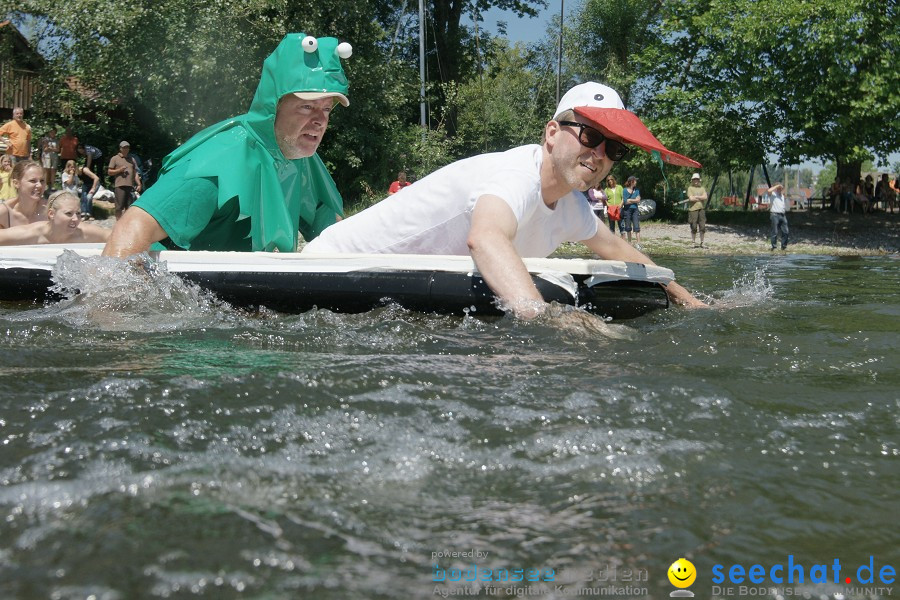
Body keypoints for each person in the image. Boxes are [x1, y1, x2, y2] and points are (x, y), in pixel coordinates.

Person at [304, 81, 706, 317]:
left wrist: (688, 301)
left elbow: (617, 247)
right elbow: (486, 238)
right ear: (551, 133)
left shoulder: (570, 204)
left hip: (396, 291)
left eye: (614, 149)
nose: (600, 154)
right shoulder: (515, 174)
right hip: (325, 267)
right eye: (590, 136)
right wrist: (549, 322)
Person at [102, 34, 352, 257]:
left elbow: (336, 234)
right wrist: (108, 309)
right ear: (273, 106)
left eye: (327, 109)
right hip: (175, 290)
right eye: (307, 107)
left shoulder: (303, 161)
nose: (320, 121)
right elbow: (133, 226)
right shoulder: (220, 160)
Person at [0, 190, 110, 245]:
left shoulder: (85, 232)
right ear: (51, 214)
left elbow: (114, 236)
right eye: (68, 213)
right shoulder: (33, 233)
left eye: (78, 214)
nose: (76, 219)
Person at [0, 160, 47, 229]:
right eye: (33, 181)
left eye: (42, 181)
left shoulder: (50, 211)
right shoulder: (4, 214)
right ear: (16, 183)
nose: (40, 185)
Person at [107, 141, 142, 219]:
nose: (126, 149)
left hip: (130, 186)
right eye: (124, 147)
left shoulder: (132, 159)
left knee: (129, 207)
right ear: (120, 148)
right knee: (119, 207)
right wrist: (119, 170)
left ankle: (126, 224)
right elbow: (109, 172)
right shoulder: (115, 158)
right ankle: (118, 223)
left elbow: (135, 172)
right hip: (120, 185)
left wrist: (139, 184)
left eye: (127, 147)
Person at [681, 173, 708, 247]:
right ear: (692, 180)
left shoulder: (702, 188)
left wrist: (696, 197)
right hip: (693, 210)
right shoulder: (690, 188)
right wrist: (700, 197)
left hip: (701, 209)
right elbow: (691, 198)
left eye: (697, 179)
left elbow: (705, 197)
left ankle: (702, 242)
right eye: (694, 179)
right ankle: (693, 242)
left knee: (702, 226)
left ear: (699, 180)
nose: (696, 180)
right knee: (693, 226)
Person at [767, 182, 789, 251]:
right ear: (776, 188)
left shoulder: (782, 195)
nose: (780, 189)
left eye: (781, 188)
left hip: (782, 215)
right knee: (775, 232)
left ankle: (784, 246)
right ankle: (774, 247)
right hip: (775, 215)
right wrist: (777, 186)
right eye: (779, 188)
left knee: (786, 231)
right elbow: (768, 191)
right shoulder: (773, 194)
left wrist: (782, 187)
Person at [621, 175, 642, 246]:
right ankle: (629, 242)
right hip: (627, 210)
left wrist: (630, 200)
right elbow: (625, 202)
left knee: (636, 226)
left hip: (635, 210)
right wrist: (634, 200)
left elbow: (638, 200)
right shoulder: (624, 190)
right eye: (635, 180)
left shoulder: (637, 190)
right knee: (628, 226)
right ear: (631, 182)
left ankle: (638, 243)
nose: (636, 182)